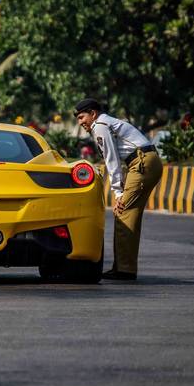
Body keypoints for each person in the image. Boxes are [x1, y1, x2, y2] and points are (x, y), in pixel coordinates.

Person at [74, 98, 163, 280]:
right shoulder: (106, 122)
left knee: (123, 212)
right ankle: (124, 267)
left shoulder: (100, 125)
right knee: (130, 214)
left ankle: (125, 269)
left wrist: (118, 193)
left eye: (82, 117)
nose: (80, 122)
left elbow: (111, 159)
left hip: (142, 163)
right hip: (146, 161)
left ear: (93, 114)